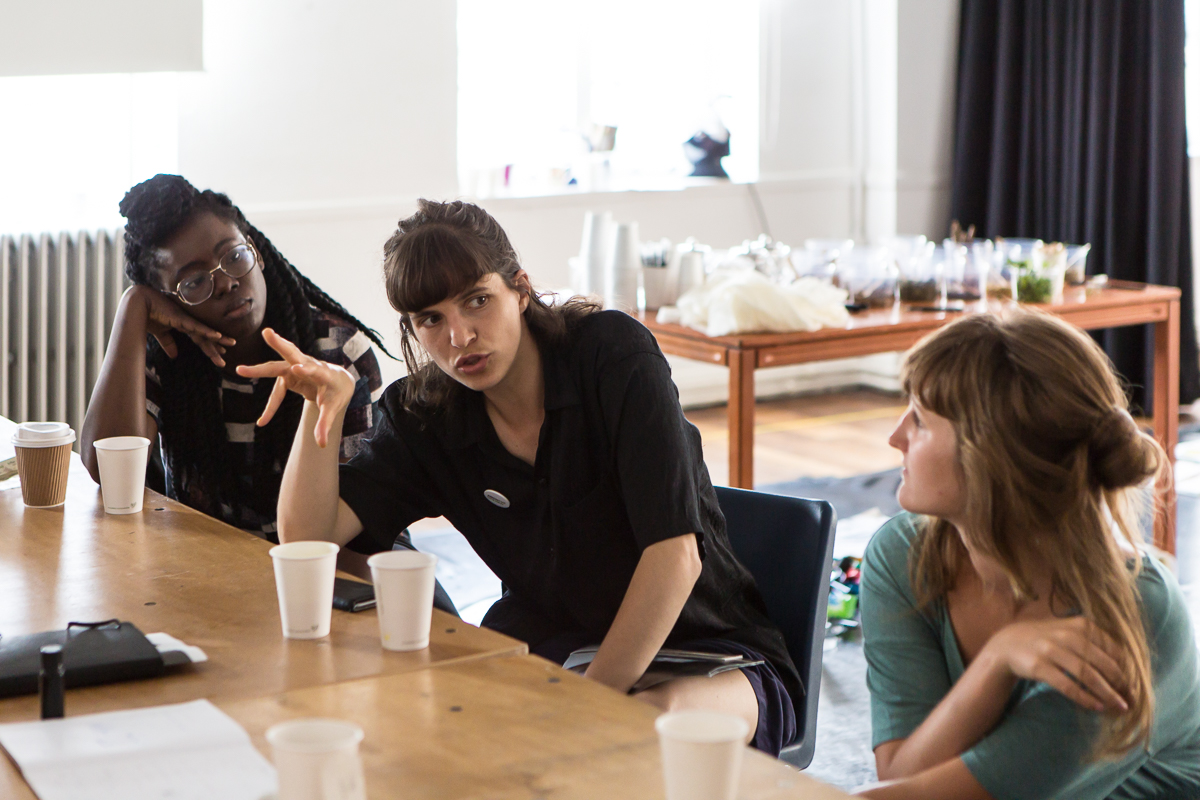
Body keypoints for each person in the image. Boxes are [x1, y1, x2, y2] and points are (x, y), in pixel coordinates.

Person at [240, 199, 801, 754]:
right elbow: (306, 541)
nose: (459, 337)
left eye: (477, 301)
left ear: (521, 289)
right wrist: (320, 408)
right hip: (555, 648)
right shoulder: (425, 415)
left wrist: (587, 704)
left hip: (711, 651)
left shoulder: (612, 355)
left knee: (646, 729)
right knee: (421, 723)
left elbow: (675, 558)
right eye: (431, 319)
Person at [857, 311, 1200, 800]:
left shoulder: (1137, 615)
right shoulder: (901, 556)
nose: (895, 437)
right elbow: (899, 776)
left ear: (990, 460)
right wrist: (997, 661)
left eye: (921, 421)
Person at [80, 174, 386, 544]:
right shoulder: (168, 354)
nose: (226, 283)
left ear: (255, 251)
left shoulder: (338, 352)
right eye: (194, 282)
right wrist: (133, 307)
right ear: (167, 299)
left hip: (319, 559)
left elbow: (359, 522)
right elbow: (107, 473)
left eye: (234, 256)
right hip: (209, 561)